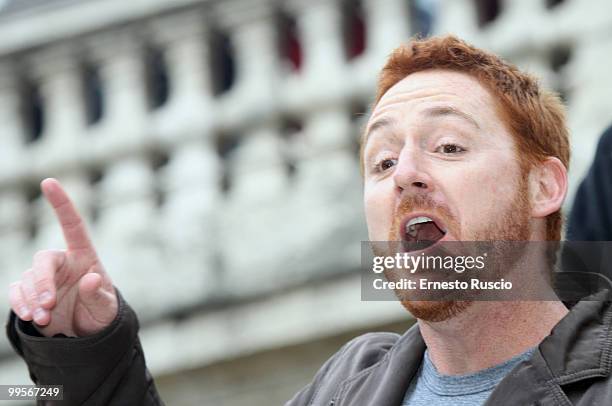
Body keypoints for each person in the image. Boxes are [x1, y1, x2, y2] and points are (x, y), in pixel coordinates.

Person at [6, 35, 612, 406]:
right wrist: (85, 354)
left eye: (449, 146)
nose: (404, 174)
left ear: (544, 186)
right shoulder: (347, 385)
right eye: (381, 160)